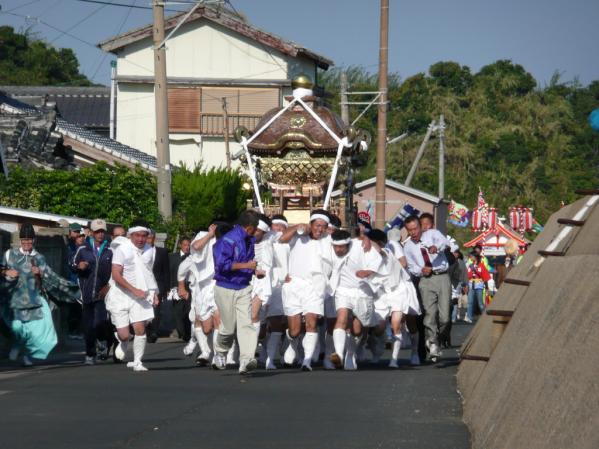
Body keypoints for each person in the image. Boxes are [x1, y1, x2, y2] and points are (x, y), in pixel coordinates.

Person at [2, 223, 80, 366]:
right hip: (13, 299)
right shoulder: (9, 254)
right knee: (16, 327)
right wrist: (6, 272)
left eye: (29, 240)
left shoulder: (39, 257)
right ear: (20, 240)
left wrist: (41, 273)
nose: (27, 243)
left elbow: (52, 277)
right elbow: (1, 269)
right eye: (24, 240)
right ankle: (18, 345)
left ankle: (26, 354)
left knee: (36, 332)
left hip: (34, 299)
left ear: (34, 240)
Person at [278, 209, 333, 371]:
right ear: (311, 224)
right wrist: (296, 227)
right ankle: (293, 344)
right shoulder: (298, 237)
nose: (320, 229)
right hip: (294, 285)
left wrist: (364, 238)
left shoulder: (328, 240)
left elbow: (350, 241)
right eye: (317, 225)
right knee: (294, 330)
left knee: (311, 322)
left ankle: (307, 361)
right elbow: (282, 239)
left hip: (314, 287)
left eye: (323, 226)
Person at [105, 219, 159, 372]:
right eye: (138, 235)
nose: (141, 239)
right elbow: (116, 274)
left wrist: (154, 292)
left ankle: (137, 362)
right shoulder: (122, 250)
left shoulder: (150, 250)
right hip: (120, 295)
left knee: (140, 328)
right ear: (131, 235)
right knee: (124, 335)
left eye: (144, 236)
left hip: (140, 296)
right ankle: (123, 341)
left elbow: (148, 273)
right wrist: (133, 289)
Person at [211, 210, 260, 374]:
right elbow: (221, 266)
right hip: (225, 287)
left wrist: (255, 271)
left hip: (244, 287)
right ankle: (220, 351)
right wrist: (247, 266)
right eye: (256, 227)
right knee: (228, 328)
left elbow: (250, 262)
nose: (257, 231)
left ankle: (246, 360)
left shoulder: (250, 240)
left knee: (246, 323)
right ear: (249, 227)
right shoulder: (227, 240)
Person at [328, 229, 382, 371]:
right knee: (342, 318)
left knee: (357, 330)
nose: (338, 250)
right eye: (335, 247)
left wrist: (368, 271)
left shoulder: (361, 246)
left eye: (341, 247)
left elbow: (378, 256)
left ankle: (350, 354)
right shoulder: (328, 247)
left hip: (362, 292)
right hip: (342, 290)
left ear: (348, 244)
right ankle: (339, 354)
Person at [369, 229, 421, 367]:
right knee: (378, 328)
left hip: (399, 288)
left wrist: (365, 238)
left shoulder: (389, 248)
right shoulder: (364, 254)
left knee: (400, 323)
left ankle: (399, 358)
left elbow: (402, 262)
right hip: (382, 292)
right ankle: (377, 350)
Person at [403, 215, 451, 362]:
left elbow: (444, 242)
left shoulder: (433, 234)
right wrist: (420, 270)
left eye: (415, 229)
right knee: (430, 314)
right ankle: (432, 343)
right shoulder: (408, 246)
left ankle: (439, 339)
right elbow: (411, 266)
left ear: (420, 227)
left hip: (441, 276)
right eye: (410, 230)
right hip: (425, 280)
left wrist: (436, 247)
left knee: (445, 317)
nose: (413, 233)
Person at [72, 219, 114, 365]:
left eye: (102, 231)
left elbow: (116, 272)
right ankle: (90, 353)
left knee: (100, 322)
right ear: (91, 233)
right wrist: (79, 266)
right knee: (88, 326)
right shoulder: (82, 249)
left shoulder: (110, 250)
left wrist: (108, 286)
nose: (100, 234)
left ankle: (102, 340)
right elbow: (71, 265)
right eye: (97, 232)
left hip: (103, 293)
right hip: (86, 292)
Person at [263, 214, 289, 370]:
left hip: (282, 288)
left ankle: (271, 359)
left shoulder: (290, 243)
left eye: (282, 226)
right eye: (275, 225)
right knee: (260, 328)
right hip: (263, 286)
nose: (278, 228)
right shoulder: (264, 240)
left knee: (278, 323)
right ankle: (264, 352)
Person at [144, 231, 170, 343]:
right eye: (148, 238)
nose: (149, 240)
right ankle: (145, 330)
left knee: (156, 308)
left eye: (151, 238)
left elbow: (166, 271)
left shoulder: (162, 252)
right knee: (145, 308)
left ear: (154, 239)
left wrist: (166, 287)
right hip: (144, 284)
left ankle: (154, 331)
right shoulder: (140, 251)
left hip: (158, 284)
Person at [170, 238, 191, 342]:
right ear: (180, 245)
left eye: (189, 245)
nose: (187, 247)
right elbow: (169, 273)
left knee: (188, 311)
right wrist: (169, 288)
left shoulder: (193, 257)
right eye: (185, 245)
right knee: (178, 312)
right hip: (175, 288)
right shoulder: (172, 257)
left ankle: (188, 333)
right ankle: (181, 332)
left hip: (189, 288)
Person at [66, 222, 84, 340]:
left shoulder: (76, 246)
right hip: (70, 279)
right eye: (75, 232)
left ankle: (76, 330)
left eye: (79, 232)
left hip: (77, 280)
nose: (77, 235)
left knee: (78, 307)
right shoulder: (68, 245)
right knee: (74, 306)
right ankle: (72, 331)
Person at [465, 251, 491, 323]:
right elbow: (467, 276)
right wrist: (466, 285)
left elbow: (485, 278)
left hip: (479, 285)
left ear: (475, 257)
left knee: (480, 303)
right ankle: (469, 317)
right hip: (471, 285)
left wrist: (487, 288)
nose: (470, 258)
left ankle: (484, 317)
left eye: (471, 256)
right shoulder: (470, 266)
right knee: (470, 302)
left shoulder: (481, 266)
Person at [450, 250, 469, 323]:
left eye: (456, 253)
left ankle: (453, 318)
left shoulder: (461, 262)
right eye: (454, 252)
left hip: (459, 283)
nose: (455, 254)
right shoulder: (449, 261)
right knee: (450, 300)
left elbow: (465, 273)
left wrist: (466, 284)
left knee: (455, 300)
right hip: (449, 283)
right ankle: (451, 317)